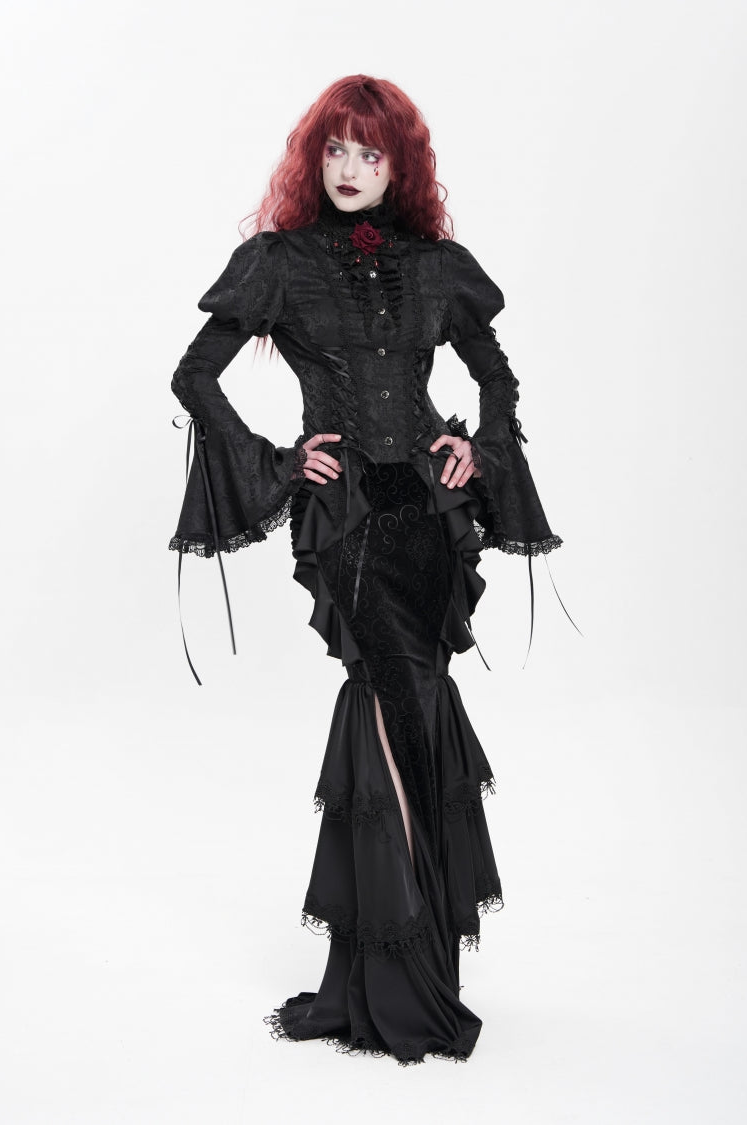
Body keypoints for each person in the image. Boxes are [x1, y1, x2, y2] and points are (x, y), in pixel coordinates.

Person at [168, 75, 569, 1065]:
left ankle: (410, 964)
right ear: (317, 159)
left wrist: (483, 451)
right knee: (392, 705)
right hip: (349, 523)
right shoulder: (280, 262)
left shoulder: (435, 268)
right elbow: (194, 374)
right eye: (336, 149)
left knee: (419, 710)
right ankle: (401, 979)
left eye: (370, 153)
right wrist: (276, 462)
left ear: (400, 167)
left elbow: (496, 374)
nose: (349, 168)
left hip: (426, 518)